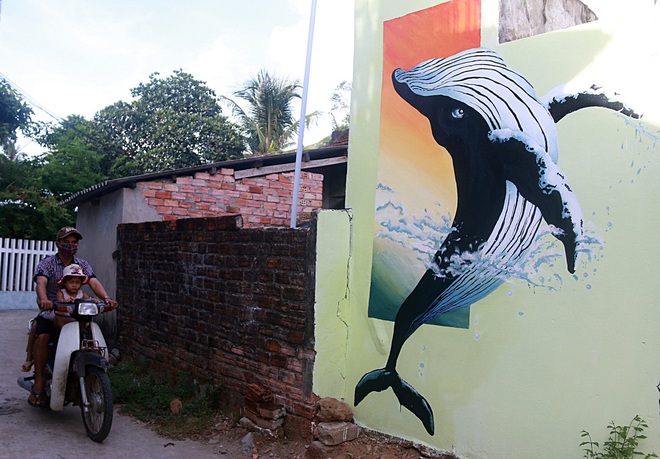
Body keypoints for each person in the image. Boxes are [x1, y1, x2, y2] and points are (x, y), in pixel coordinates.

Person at [26, 226, 117, 408]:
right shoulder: (47, 263)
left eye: (74, 242)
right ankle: (38, 382)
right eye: (66, 242)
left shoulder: (82, 265)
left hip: (77, 313)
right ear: (57, 244)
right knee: (43, 336)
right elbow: (41, 282)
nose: (70, 245)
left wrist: (106, 298)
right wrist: (44, 300)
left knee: (88, 336)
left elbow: (92, 281)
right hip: (54, 311)